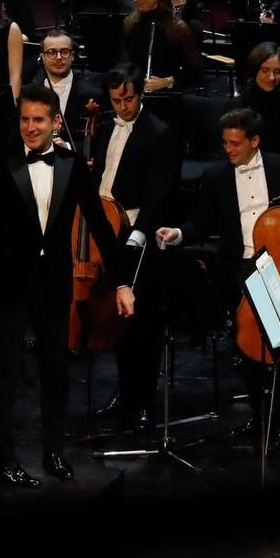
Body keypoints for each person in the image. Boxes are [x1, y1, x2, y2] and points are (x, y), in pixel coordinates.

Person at [0, 84, 133, 488]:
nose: (30, 127)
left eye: (38, 120)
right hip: (9, 282)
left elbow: (99, 225)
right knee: (7, 375)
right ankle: (3, 460)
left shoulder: (73, 165)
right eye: (25, 119)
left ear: (55, 122)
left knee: (55, 372)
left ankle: (54, 453)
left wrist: (122, 282)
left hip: (53, 285)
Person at [156, 107, 280, 446]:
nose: (228, 149)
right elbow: (201, 222)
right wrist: (178, 233)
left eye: (235, 144)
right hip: (238, 269)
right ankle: (260, 417)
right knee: (247, 351)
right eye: (225, 142)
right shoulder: (216, 176)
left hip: (277, 268)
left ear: (255, 141)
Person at [88, 72, 183, 429]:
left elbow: (161, 191)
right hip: (105, 229)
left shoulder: (159, 132)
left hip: (135, 233)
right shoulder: (102, 128)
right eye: (116, 101)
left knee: (142, 325)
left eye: (128, 99)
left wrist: (140, 233)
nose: (123, 106)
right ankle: (125, 393)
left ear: (140, 93)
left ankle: (142, 400)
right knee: (115, 317)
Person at [29, 27, 102, 117]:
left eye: (64, 51)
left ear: (73, 56)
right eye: (51, 52)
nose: (59, 57)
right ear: (43, 57)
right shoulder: (28, 95)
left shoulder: (92, 94)